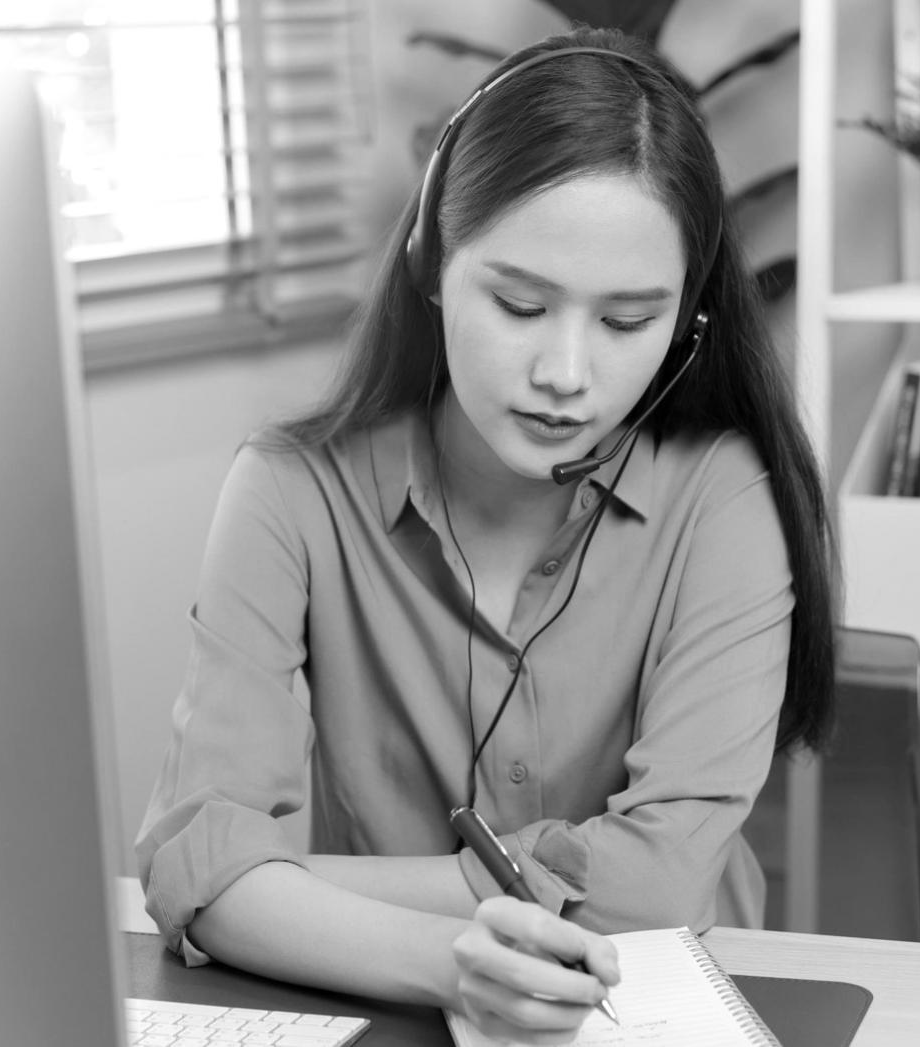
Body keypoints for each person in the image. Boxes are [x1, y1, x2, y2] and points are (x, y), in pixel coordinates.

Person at [136, 24, 838, 1045]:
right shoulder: (286, 492)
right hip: (386, 1014)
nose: (565, 373)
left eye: (625, 321)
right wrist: (454, 970)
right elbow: (194, 859)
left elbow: (655, 887)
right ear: (429, 261)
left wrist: (278, 887)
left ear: (686, 325)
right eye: (519, 303)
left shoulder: (720, 494)